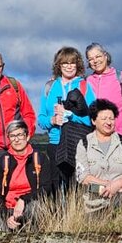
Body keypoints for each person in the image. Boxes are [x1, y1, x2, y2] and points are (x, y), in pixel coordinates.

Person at [75, 99, 122, 212]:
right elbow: (83, 178)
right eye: (104, 119)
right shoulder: (83, 144)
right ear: (93, 120)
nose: (108, 122)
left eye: (111, 119)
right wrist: (113, 186)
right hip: (94, 203)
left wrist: (119, 184)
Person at [0, 120, 57, 232]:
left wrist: (23, 200)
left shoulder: (40, 159)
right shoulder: (3, 161)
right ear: (8, 139)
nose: (16, 139)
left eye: (20, 135)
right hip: (7, 208)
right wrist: (6, 216)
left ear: (27, 136)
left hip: (30, 204)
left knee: (35, 208)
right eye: (12, 136)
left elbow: (46, 188)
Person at [37, 46, 90, 191]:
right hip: (55, 143)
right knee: (58, 187)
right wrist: (52, 120)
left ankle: (77, 214)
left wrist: (70, 115)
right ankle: (61, 214)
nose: (69, 66)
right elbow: (40, 119)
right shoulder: (49, 87)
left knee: (77, 187)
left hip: (78, 143)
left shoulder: (84, 86)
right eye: (64, 63)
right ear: (58, 66)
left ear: (78, 65)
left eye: (72, 62)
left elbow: (91, 119)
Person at [0, 49, 37, 164]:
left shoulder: (14, 86)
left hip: (17, 146)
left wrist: (26, 135)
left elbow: (28, 113)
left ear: (3, 66)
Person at [83, 43, 122, 137]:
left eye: (98, 56)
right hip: (97, 135)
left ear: (105, 56)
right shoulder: (88, 81)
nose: (95, 61)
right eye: (91, 59)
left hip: (121, 133)